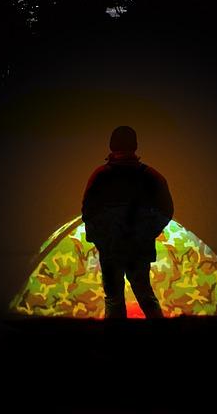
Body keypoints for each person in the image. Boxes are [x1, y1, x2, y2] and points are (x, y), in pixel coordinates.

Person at [80, 125, 175, 320]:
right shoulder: (151, 176)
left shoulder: (100, 175)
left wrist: (100, 238)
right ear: (136, 146)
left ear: (111, 145)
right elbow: (166, 211)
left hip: (110, 248)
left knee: (113, 299)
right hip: (138, 249)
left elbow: (88, 211)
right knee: (145, 295)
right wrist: (146, 233)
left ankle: (115, 345)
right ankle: (165, 342)